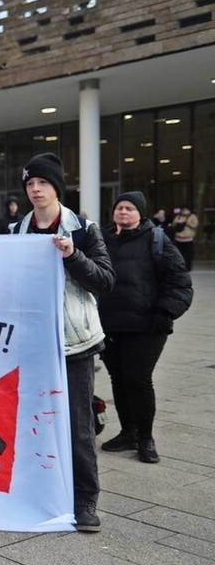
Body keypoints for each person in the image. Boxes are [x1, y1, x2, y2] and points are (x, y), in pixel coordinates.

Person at [11, 152, 114, 533]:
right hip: (32, 343)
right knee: (32, 419)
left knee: (77, 424)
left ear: (57, 187)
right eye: (30, 183)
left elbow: (105, 279)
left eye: (43, 182)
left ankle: (84, 499)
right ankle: (39, 490)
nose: (36, 190)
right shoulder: (17, 231)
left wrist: (73, 256)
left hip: (75, 342)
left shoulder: (82, 228)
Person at [97, 191, 192, 464]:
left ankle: (146, 438)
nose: (123, 212)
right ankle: (128, 432)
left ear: (141, 213)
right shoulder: (102, 239)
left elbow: (180, 282)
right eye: (119, 208)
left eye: (130, 208)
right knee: (118, 379)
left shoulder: (156, 239)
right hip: (110, 324)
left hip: (147, 326)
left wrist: (166, 311)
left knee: (138, 379)